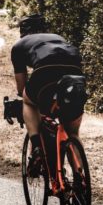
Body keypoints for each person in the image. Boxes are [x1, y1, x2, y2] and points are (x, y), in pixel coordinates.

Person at [11, 14, 85, 158]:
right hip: (75, 74)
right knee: (73, 133)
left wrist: (28, 95)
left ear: (22, 32)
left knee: (28, 101)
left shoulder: (19, 45)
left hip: (45, 71)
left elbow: (21, 87)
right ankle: (79, 171)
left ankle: (36, 145)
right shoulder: (58, 37)